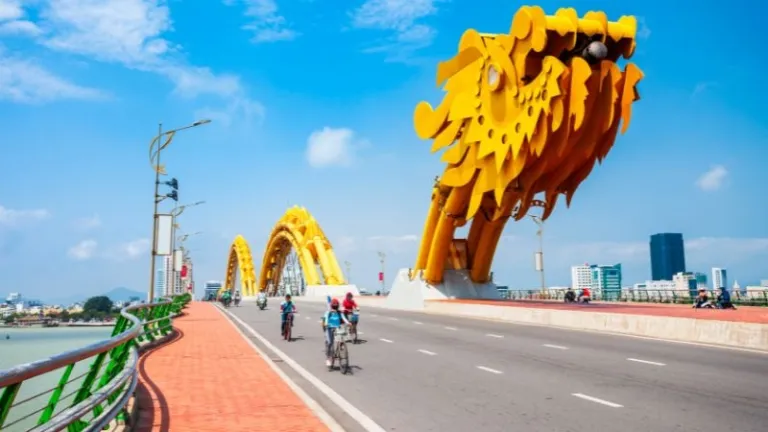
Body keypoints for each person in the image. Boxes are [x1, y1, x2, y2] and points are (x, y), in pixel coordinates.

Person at [321, 299, 351, 366]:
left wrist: (348, 323)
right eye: (334, 306)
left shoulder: (340, 312)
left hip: (338, 328)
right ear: (332, 306)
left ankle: (341, 351)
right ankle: (328, 358)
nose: (335, 307)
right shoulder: (328, 312)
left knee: (341, 339)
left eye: (336, 306)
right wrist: (326, 324)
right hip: (329, 328)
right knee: (330, 343)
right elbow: (326, 319)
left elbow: (343, 318)